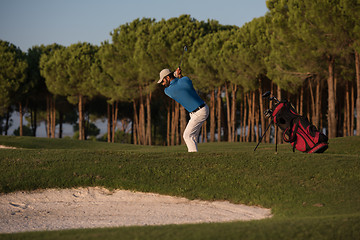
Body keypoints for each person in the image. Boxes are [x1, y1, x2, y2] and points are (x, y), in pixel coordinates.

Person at [157, 68, 209, 152]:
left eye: (163, 80)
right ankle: (195, 154)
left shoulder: (168, 91)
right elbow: (183, 82)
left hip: (199, 112)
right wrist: (179, 75)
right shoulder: (185, 80)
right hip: (201, 109)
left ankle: (193, 157)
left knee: (187, 135)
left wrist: (176, 74)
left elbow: (176, 84)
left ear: (167, 78)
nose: (163, 84)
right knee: (193, 136)